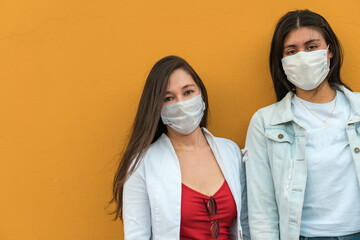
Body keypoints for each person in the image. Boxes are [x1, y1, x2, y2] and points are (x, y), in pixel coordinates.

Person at [245, 9, 360, 240]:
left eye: (311, 47)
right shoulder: (266, 123)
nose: (302, 56)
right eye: (291, 51)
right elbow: (262, 211)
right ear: (282, 62)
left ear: (330, 51)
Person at [111, 56, 249, 239]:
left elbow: (246, 224)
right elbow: (137, 235)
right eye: (168, 98)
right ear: (157, 108)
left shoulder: (230, 151)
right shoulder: (142, 165)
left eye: (188, 92)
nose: (181, 104)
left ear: (201, 94)